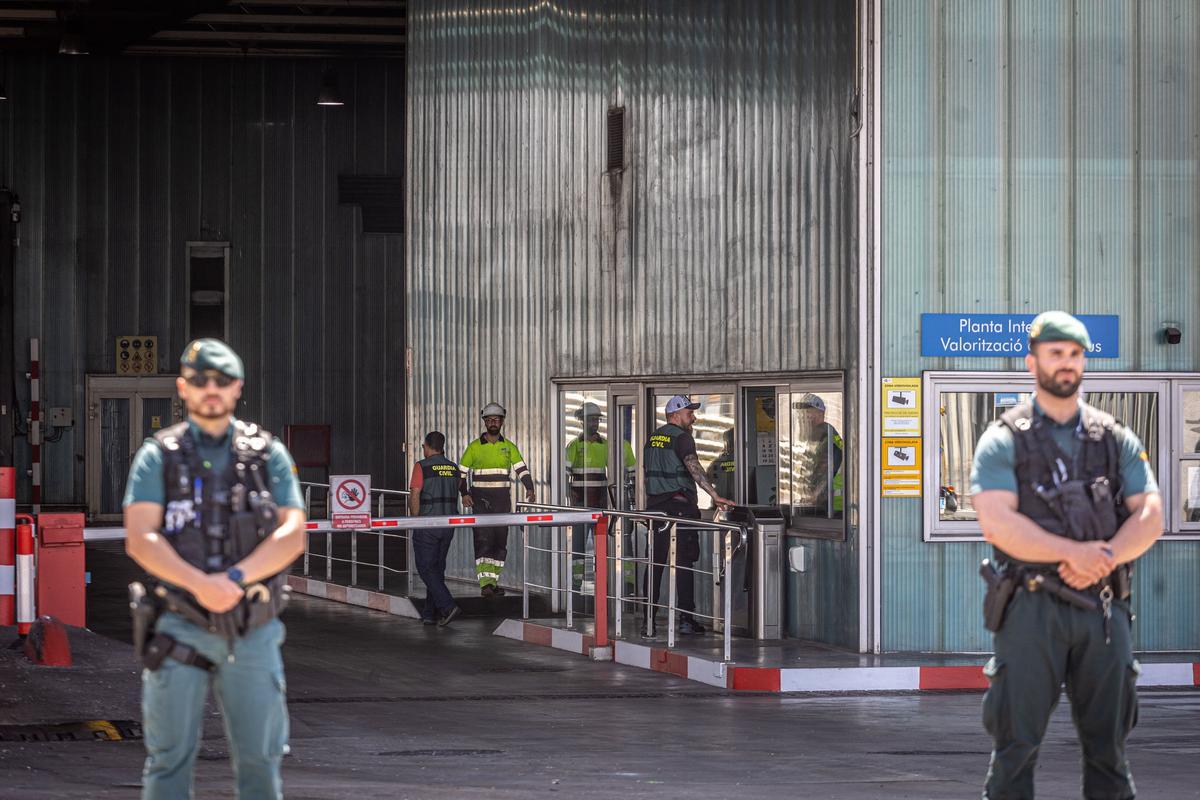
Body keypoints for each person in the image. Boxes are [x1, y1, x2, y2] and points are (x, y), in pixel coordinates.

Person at [970, 311, 1164, 800]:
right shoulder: (1003, 438)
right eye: (1056, 354)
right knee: (1015, 749)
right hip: (1031, 608)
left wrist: (1105, 557)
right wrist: (1074, 553)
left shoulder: (1115, 437)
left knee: (1109, 752)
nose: (1066, 364)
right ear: (1033, 360)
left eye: (1075, 355)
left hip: (1103, 608)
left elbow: (1150, 514)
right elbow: (998, 521)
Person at [123, 339, 307, 800]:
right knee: (167, 761)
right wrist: (201, 585)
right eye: (201, 381)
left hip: (251, 629)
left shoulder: (268, 455)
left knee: (260, 762)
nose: (211, 389)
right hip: (178, 626)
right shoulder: (157, 455)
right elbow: (140, 536)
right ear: (183, 388)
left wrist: (234, 580)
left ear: (237, 388)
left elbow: (293, 533)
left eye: (221, 381)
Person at [642, 395, 734, 636]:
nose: (693, 418)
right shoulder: (683, 438)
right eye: (689, 413)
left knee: (654, 565)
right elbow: (694, 468)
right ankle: (685, 618)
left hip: (655, 510)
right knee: (683, 563)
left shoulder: (652, 439)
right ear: (675, 415)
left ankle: (648, 620)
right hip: (679, 510)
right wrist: (715, 495)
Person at [459, 402, 535, 596]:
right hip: (480, 501)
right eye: (490, 419)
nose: (493, 422)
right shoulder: (474, 448)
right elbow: (460, 474)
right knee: (483, 539)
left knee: (500, 541)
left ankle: (493, 582)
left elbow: (521, 469)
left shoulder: (509, 447)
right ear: (485, 422)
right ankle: (485, 584)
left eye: (497, 419)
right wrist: (464, 494)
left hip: (502, 501)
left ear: (502, 422)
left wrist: (530, 488)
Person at [565, 402, 636, 587]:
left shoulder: (607, 445)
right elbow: (563, 475)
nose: (594, 423)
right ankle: (575, 584)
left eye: (597, 419)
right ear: (582, 421)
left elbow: (632, 472)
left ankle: (616, 583)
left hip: (603, 504)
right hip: (581, 504)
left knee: (605, 544)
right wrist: (569, 495)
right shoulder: (573, 446)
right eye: (591, 419)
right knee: (578, 547)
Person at [409, 431, 467, 626]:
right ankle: (429, 614)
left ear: (427, 445)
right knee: (437, 568)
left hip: (428, 523)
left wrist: (414, 520)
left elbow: (415, 494)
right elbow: (460, 488)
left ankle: (448, 606)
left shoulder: (421, 466)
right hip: (448, 524)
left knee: (425, 568)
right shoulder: (453, 468)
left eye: (423, 446)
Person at [792, 393, 844, 517]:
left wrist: (814, 496)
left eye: (807, 413)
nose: (802, 418)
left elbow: (827, 472)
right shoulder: (814, 438)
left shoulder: (827, 438)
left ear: (820, 414)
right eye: (801, 414)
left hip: (830, 506)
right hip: (822, 504)